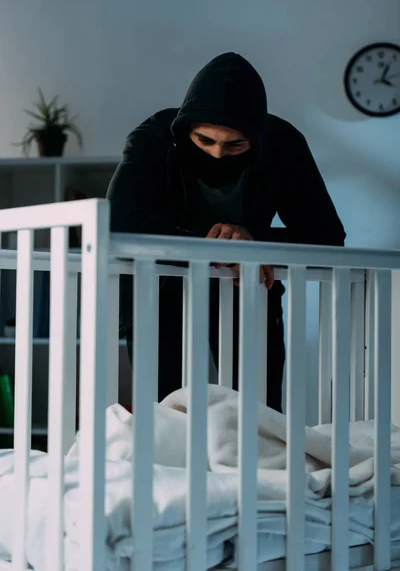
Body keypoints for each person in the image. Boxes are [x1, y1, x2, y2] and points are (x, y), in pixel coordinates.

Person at [106, 52, 346, 413]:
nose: (219, 154)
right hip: (162, 287)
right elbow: (119, 221)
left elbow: (327, 233)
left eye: (235, 144)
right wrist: (215, 243)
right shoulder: (153, 138)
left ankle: (250, 471)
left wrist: (251, 240)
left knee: (259, 415)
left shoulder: (283, 143)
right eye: (205, 141)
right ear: (185, 129)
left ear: (257, 137)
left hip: (247, 285)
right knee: (164, 413)